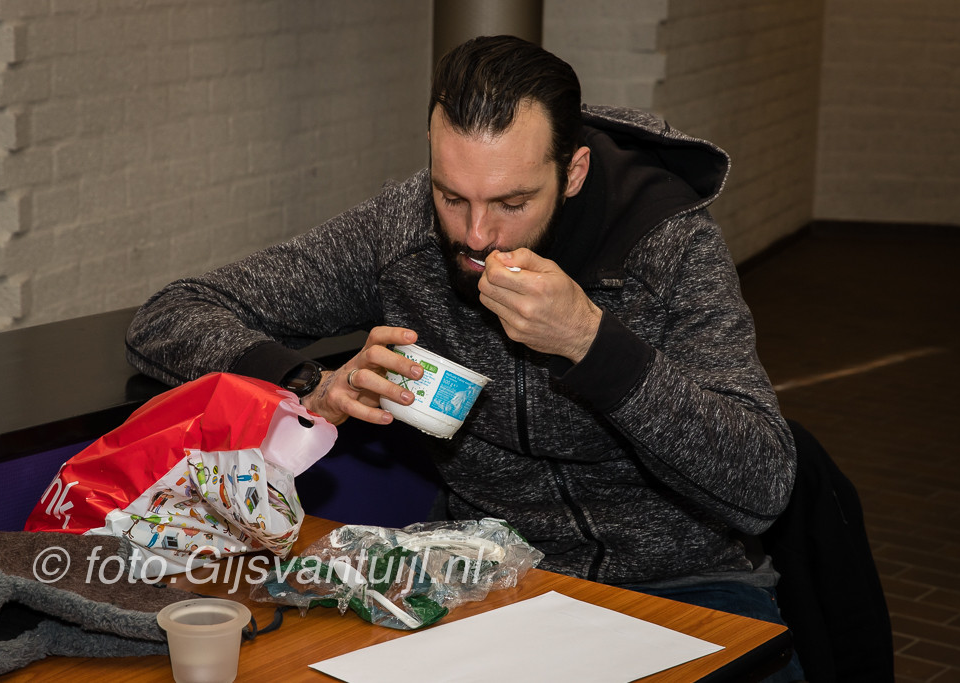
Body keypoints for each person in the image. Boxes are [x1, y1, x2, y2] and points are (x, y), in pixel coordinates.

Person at [127, 35, 803, 680]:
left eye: (512, 202)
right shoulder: (403, 230)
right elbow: (170, 314)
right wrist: (309, 384)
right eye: (452, 196)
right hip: (485, 578)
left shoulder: (668, 246)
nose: (477, 235)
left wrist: (591, 342)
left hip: (684, 581)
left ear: (572, 173)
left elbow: (763, 482)